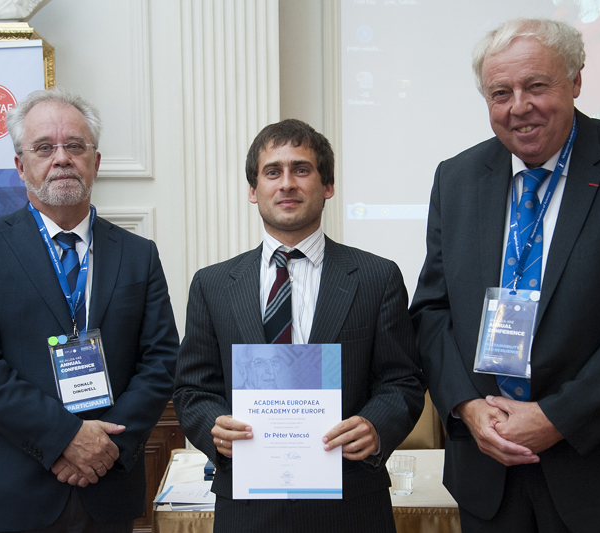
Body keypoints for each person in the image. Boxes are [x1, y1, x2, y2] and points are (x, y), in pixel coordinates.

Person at [409, 18, 600, 533]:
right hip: (489, 471)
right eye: (501, 92)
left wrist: (556, 418)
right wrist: (468, 407)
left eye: (536, 85)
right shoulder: (455, 178)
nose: (519, 106)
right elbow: (433, 310)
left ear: (576, 82)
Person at [0, 87, 179, 532]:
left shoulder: (138, 253)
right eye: (44, 148)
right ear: (20, 165)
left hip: (107, 490)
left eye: (75, 146)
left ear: (96, 161)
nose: (62, 158)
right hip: (9, 494)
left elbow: (161, 360)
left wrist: (105, 447)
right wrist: (66, 438)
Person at [174, 118, 425, 533]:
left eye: (301, 169)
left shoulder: (377, 277)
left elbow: (403, 380)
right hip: (246, 504)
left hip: (351, 502)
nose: (286, 183)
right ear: (254, 191)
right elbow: (192, 388)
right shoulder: (213, 284)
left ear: (327, 186)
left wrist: (376, 426)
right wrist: (213, 426)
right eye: (272, 172)